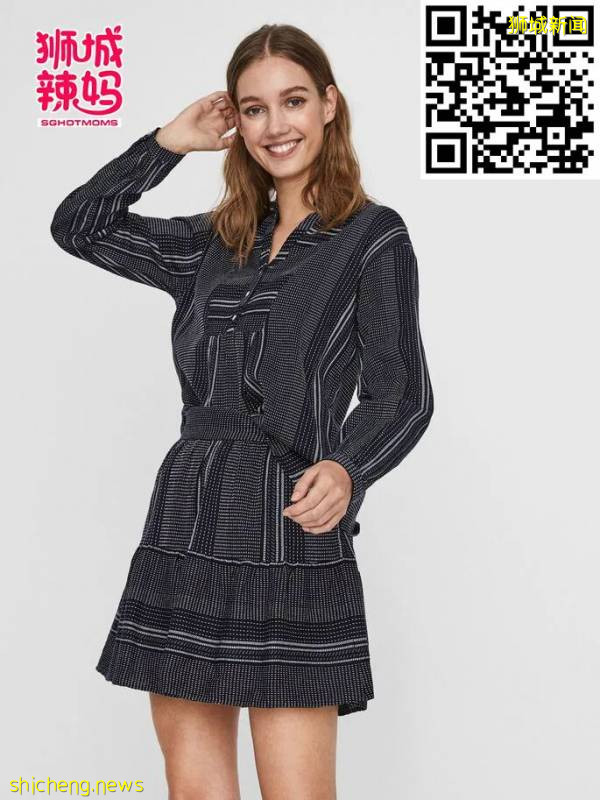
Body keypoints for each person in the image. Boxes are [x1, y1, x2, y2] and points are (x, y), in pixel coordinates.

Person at [50, 23, 434, 800]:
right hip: (188, 520)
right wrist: (168, 143)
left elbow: (402, 394)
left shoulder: (371, 237)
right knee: (196, 790)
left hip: (290, 523)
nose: (275, 125)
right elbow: (78, 226)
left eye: (293, 101)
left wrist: (347, 468)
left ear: (329, 105)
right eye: (253, 109)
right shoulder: (212, 241)